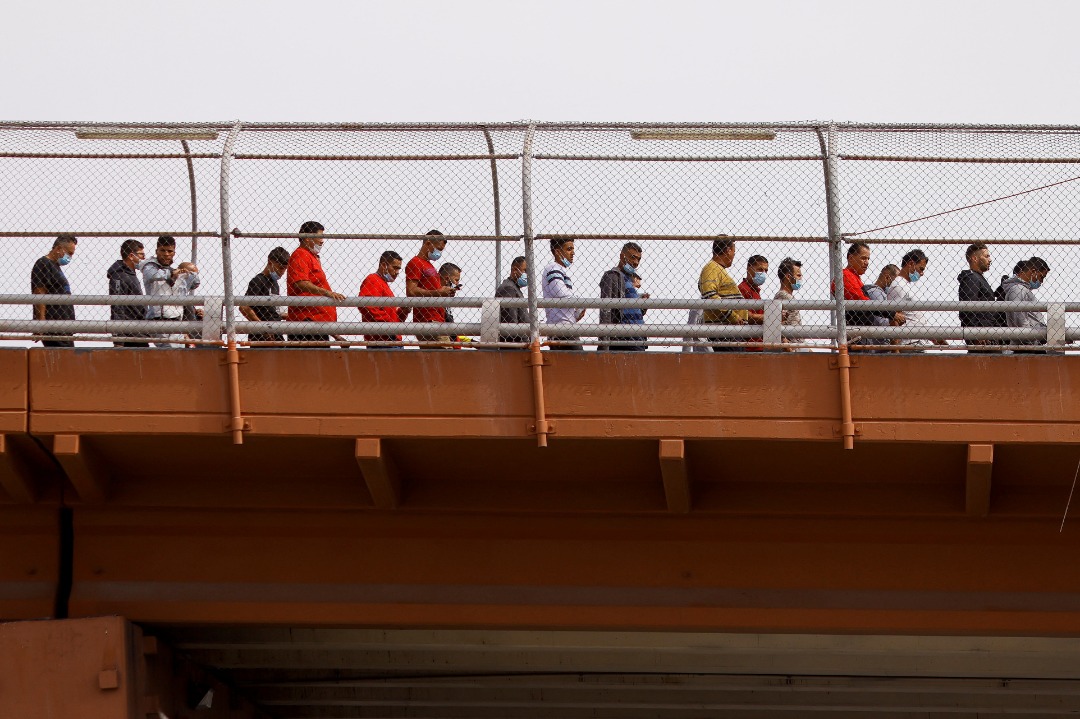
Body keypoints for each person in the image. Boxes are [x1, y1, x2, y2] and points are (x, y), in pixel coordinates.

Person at [286, 220, 345, 346]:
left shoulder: (310, 256)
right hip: (307, 324)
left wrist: (335, 335)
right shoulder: (300, 254)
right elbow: (300, 283)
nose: (322, 241)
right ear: (307, 238)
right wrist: (328, 293)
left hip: (317, 324)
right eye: (319, 236)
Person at [142, 236, 200, 348]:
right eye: (163, 250)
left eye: (170, 251)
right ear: (156, 251)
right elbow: (151, 275)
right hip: (158, 319)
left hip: (177, 321)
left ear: (174, 252)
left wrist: (187, 272)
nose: (166, 254)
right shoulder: (150, 267)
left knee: (179, 352)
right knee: (170, 351)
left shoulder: (176, 273)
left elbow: (195, 283)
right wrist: (171, 274)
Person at [886, 249, 946, 348]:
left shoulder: (905, 285)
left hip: (917, 341)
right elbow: (894, 319)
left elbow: (912, 316)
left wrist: (933, 338)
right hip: (910, 343)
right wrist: (895, 350)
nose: (922, 273)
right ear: (911, 264)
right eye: (921, 269)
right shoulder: (898, 286)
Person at [406, 230, 456, 347]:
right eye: (439, 248)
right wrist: (438, 292)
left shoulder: (430, 265)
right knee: (447, 357)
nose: (439, 252)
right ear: (428, 243)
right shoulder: (415, 263)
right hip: (428, 319)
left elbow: (433, 289)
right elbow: (411, 291)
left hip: (437, 318)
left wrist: (445, 292)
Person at [698, 236, 747, 352]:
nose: (734, 255)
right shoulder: (711, 268)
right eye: (734, 251)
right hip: (726, 331)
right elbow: (710, 295)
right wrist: (733, 317)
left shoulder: (717, 269)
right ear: (728, 250)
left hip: (730, 330)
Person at [30, 235, 78, 347]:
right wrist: (41, 323)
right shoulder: (43, 264)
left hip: (63, 326)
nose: (70, 257)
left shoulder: (55, 266)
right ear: (58, 249)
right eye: (69, 253)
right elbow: (39, 293)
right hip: (53, 326)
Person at [599, 242, 647, 351]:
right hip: (624, 337)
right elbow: (606, 310)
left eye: (638, 259)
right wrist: (604, 343)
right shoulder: (613, 276)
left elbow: (626, 310)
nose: (635, 262)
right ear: (622, 256)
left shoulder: (628, 280)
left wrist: (641, 306)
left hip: (637, 337)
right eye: (632, 257)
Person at [239, 246, 290, 346]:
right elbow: (244, 307)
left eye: (285, 269)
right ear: (270, 262)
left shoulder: (275, 284)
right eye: (280, 268)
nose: (282, 272)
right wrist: (262, 328)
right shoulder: (258, 281)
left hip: (276, 332)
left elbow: (273, 311)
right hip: (261, 336)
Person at [358, 250, 409, 348]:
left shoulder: (383, 284)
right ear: (384, 265)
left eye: (399, 269)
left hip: (390, 339)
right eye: (395, 268)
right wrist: (389, 325)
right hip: (383, 341)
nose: (397, 272)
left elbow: (393, 319)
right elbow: (367, 306)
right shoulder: (373, 280)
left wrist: (403, 312)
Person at [958, 242, 1004, 349]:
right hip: (982, 337)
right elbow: (967, 309)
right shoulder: (971, 278)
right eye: (986, 256)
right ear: (974, 258)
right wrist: (975, 335)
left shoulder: (978, 278)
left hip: (988, 334)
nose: (990, 259)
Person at [542, 237, 586, 351]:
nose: (573, 253)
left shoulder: (560, 270)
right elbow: (560, 292)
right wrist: (580, 303)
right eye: (569, 249)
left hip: (565, 327)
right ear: (557, 252)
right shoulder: (553, 268)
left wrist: (576, 314)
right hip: (562, 329)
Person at [1001, 257, 1050, 348]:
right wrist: (1032, 340)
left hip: (1030, 344)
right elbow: (1020, 321)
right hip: (1026, 347)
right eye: (1041, 276)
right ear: (1033, 271)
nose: (1042, 281)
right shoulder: (1018, 290)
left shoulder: (1023, 290)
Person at [107, 239, 148, 347]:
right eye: (141, 255)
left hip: (139, 332)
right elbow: (117, 307)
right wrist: (119, 339)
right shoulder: (119, 276)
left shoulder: (130, 275)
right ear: (131, 256)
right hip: (129, 335)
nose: (144, 258)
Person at [861, 264, 904, 349]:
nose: (897, 285)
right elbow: (881, 322)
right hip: (878, 345)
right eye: (896, 281)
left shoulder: (883, 293)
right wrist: (895, 320)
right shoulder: (876, 293)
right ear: (887, 278)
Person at [494, 256, 529, 345]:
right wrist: (522, 344)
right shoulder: (509, 289)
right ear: (514, 270)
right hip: (515, 346)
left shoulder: (514, 288)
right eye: (525, 271)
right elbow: (511, 322)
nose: (527, 275)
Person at [737, 254, 768, 351]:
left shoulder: (756, 291)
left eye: (766, 271)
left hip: (758, 344)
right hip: (749, 346)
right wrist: (769, 318)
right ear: (749, 269)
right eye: (760, 269)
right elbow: (746, 316)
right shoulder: (743, 289)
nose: (763, 273)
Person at [774, 257, 803, 330]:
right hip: (791, 340)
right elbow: (780, 321)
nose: (801, 279)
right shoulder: (782, 296)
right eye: (798, 275)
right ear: (788, 276)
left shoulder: (788, 296)